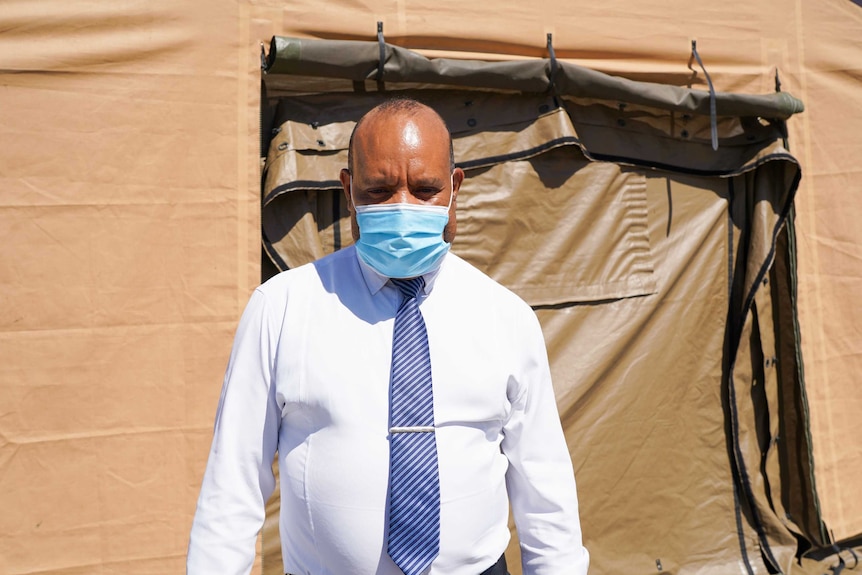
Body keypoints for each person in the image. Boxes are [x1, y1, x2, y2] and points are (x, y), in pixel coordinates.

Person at [187, 98, 590, 575]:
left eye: (424, 189)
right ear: (348, 188)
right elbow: (232, 487)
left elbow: (546, 494)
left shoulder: (506, 317)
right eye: (379, 190)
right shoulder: (282, 308)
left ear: (455, 189)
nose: (403, 209)